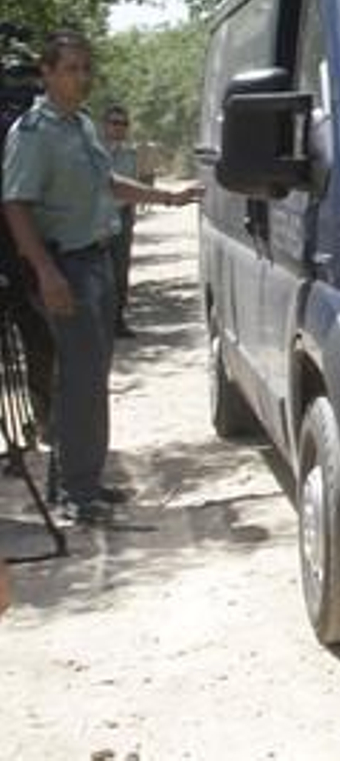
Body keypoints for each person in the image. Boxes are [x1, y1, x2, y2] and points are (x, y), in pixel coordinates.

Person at [2, 31, 201, 525]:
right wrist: (46, 272)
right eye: (70, 68)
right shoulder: (34, 132)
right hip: (63, 265)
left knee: (85, 379)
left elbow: (108, 185)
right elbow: (15, 203)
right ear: (46, 73)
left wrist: (169, 199)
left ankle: (76, 480)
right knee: (81, 380)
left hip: (97, 261)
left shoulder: (81, 127)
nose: (81, 77)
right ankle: (77, 490)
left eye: (86, 68)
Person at [102, 104, 139, 337]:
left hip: (122, 216)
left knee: (120, 269)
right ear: (105, 125)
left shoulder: (131, 154)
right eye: (114, 123)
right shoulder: (94, 151)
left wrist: (132, 217)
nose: (118, 128)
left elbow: (132, 187)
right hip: (99, 217)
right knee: (99, 270)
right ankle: (100, 321)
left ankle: (118, 320)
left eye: (123, 124)